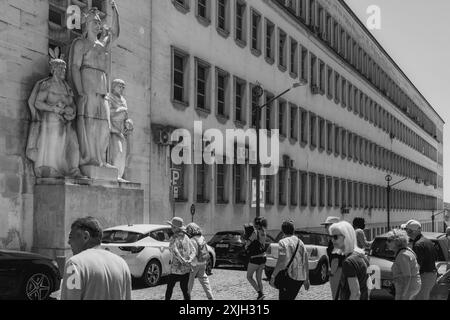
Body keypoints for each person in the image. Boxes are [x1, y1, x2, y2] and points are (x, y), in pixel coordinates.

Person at [68, 3, 120, 170]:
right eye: (94, 22)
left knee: (105, 124)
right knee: (89, 121)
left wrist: (115, 13)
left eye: (99, 22)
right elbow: (75, 67)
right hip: (88, 82)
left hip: (102, 85)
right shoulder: (80, 44)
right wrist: (80, 90)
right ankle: (90, 158)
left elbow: (115, 33)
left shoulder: (103, 44)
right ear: (87, 25)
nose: (98, 24)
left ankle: (101, 159)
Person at [26, 50, 83, 179]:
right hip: (51, 118)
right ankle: (51, 168)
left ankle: (73, 169)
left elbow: (73, 104)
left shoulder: (67, 87)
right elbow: (37, 103)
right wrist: (53, 109)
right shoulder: (47, 84)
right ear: (53, 70)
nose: (63, 71)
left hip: (67, 120)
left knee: (74, 143)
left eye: (64, 69)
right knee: (55, 141)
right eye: (60, 69)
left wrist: (71, 112)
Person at [60, 217, 131, 300]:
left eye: (71, 237)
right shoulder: (122, 264)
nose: (68, 242)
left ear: (85, 237)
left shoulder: (74, 264)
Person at [269, 220, 310, 300]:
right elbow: (306, 260)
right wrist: (307, 279)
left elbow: (281, 261)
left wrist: (273, 276)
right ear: (293, 230)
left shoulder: (282, 242)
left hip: (288, 277)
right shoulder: (300, 242)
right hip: (300, 278)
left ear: (283, 230)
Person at [329, 221, 369, 300]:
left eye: (335, 237)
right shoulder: (361, 255)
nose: (332, 240)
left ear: (346, 237)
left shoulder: (349, 262)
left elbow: (355, 293)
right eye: (331, 237)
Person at [107, 79, 134, 181]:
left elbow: (126, 116)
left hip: (122, 131)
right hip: (113, 130)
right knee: (118, 151)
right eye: (120, 86)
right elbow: (108, 113)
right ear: (114, 86)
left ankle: (119, 175)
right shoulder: (109, 97)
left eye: (123, 87)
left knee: (125, 155)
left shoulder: (123, 100)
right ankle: (115, 175)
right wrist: (120, 111)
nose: (122, 89)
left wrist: (129, 123)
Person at [405, 220, 438, 300]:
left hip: (425, 276)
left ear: (412, 231)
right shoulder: (427, 241)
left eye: (407, 230)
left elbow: (417, 266)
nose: (406, 232)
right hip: (430, 275)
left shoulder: (418, 244)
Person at [165, 217, 195, 300]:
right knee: (185, 289)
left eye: (173, 227)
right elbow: (193, 250)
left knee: (169, 288)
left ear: (177, 228)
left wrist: (183, 261)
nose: (171, 228)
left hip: (175, 269)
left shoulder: (173, 238)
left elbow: (174, 251)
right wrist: (189, 260)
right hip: (186, 268)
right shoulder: (186, 237)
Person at [386, 229, 421, 300]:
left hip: (406, 287)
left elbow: (407, 276)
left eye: (389, 240)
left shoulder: (402, 255)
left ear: (397, 241)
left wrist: (404, 294)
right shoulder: (407, 250)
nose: (387, 242)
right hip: (412, 285)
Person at [185, 223, 214, 300]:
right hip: (203, 262)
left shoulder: (192, 240)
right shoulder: (202, 237)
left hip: (194, 264)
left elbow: (192, 253)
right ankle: (210, 296)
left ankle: (187, 297)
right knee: (204, 280)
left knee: (190, 281)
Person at [244, 217, 268, 300]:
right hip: (263, 257)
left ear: (256, 224)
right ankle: (262, 295)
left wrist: (246, 246)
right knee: (258, 278)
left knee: (249, 277)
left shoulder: (255, 232)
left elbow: (248, 242)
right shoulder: (264, 232)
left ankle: (260, 293)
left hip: (255, 258)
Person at [321, 216, 343, 299]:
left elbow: (335, 259)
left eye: (327, 225)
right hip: (341, 269)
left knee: (336, 295)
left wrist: (331, 273)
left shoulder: (335, 238)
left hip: (337, 270)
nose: (325, 228)